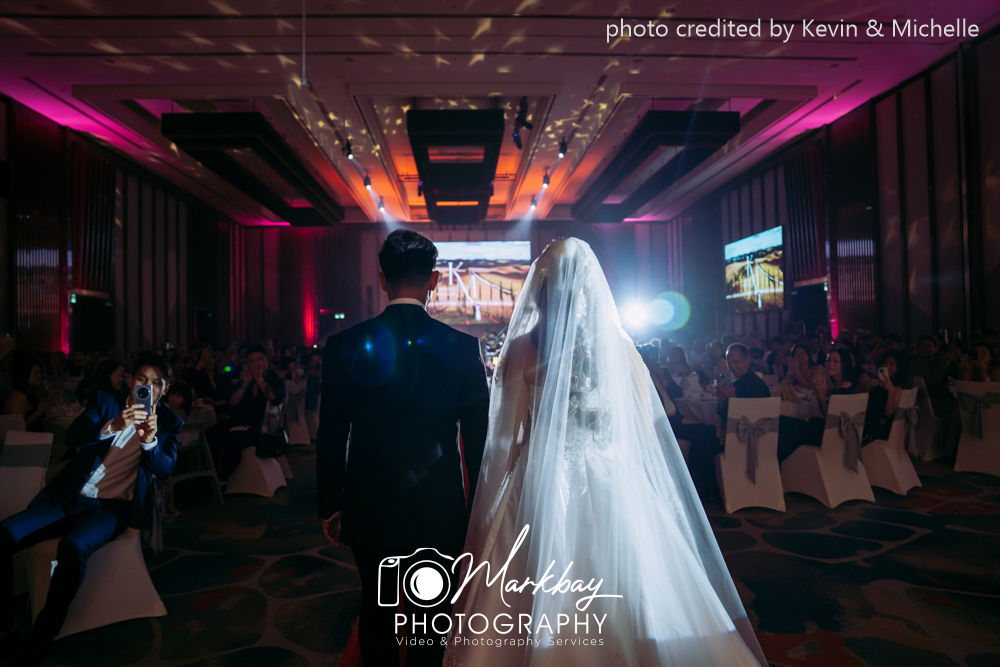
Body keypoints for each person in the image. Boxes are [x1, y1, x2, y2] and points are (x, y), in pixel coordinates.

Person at [445, 239, 766, 667]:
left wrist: (500, 492)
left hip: (540, 478)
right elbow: (644, 421)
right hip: (608, 469)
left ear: (540, 289)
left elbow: (508, 435)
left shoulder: (521, 348)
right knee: (633, 576)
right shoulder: (617, 345)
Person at [317, 229, 491, 667]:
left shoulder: (343, 346)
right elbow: (479, 442)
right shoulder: (463, 349)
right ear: (433, 280)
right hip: (438, 506)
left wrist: (330, 505)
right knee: (430, 617)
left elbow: (331, 432)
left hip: (368, 503)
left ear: (382, 279)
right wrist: (479, 512)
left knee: (376, 610)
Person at [0, 353, 179, 665]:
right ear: (131, 381)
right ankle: (3, 628)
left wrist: (149, 443)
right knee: (4, 534)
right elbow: (73, 436)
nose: (147, 388)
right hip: (69, 499)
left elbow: (165, 469)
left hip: (110, 509)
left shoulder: (168, 422)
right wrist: (113, 425)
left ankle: (41, 635)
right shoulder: (105, 401)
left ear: (164, 389)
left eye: (156, 383)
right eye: (142, 380)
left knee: (73, 547)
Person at [211, 345, 286, 480]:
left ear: (267, 361)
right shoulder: (245, 381)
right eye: (252, 361)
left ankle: (222, 477)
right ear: (247, 365)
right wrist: (245, 385)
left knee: (230, 440)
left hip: (263, 430)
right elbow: (232, 404)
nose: (257, 364)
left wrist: (260, 381)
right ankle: (211, 472)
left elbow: (276, 399)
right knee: (210, 433)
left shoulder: (275, 381)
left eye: (261, 360)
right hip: (240, 423)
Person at [777, 348, 857, 460]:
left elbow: (831, 418)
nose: (830, 364)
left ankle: (780, 462)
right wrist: (821, 395)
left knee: (783, 426)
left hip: (831, 436)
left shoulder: (844, 389)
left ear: (844, 364)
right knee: (783, 423)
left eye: (835, 361)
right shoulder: (840, 385)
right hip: (828, 430)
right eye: (828, 360)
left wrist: (822, 395)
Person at [862, 349, 911, 446]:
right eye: (885, 363)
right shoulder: (882, 386)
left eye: (892, 364)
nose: (887, 366)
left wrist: (891, 391)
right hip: (869, 423)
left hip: (877, 430)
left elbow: (889, 412)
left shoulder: (897, 388)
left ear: (900, 367)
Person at [4, 356, 61, 430]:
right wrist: (40, 411)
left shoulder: (34, 392)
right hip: (24, 437)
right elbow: (18, 428)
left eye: (40, 373)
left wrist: (45, 409)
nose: (40, 376)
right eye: (36, 373)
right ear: (25, 374)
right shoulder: (19, 397)